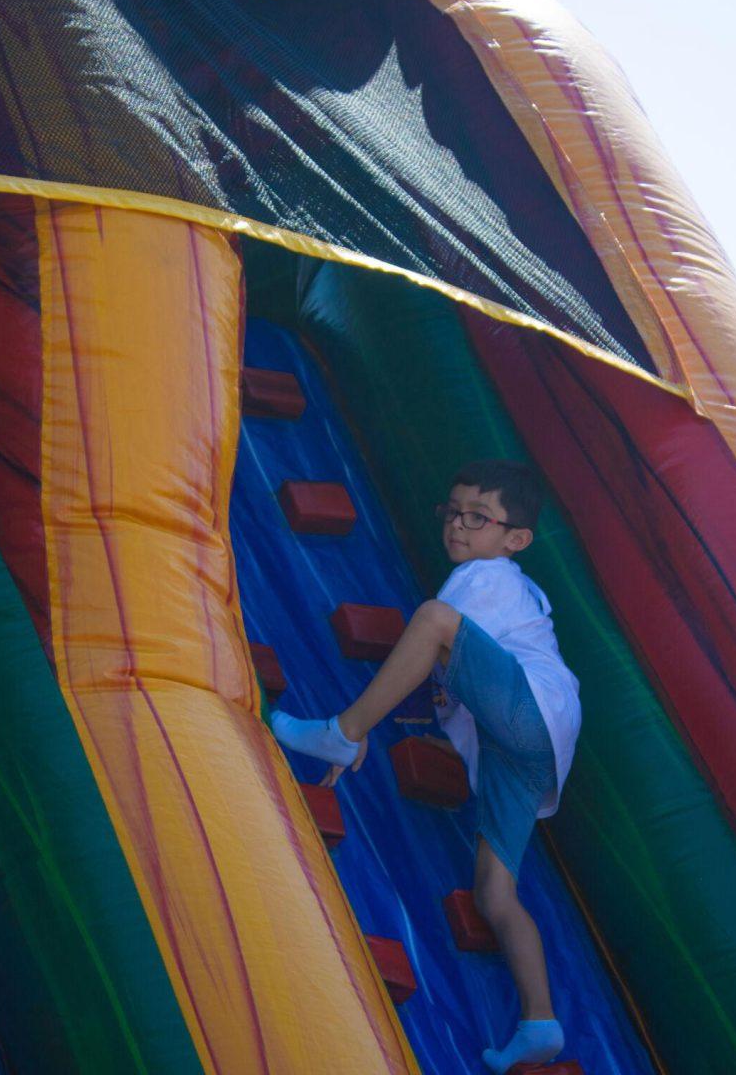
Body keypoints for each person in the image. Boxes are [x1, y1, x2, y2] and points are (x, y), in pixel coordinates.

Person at [271, 460, 581, 1074]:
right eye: (453, 511)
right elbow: (453, 682)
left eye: (478, 517)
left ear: (514, 539)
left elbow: (439, 640)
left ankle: (339, 732)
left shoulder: (487, 576)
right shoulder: (492, 585)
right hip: (529, 748)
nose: (458, 527)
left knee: (433, 619)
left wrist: (364, 727)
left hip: (531, 711)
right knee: (496, 893)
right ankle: (540, 1021)